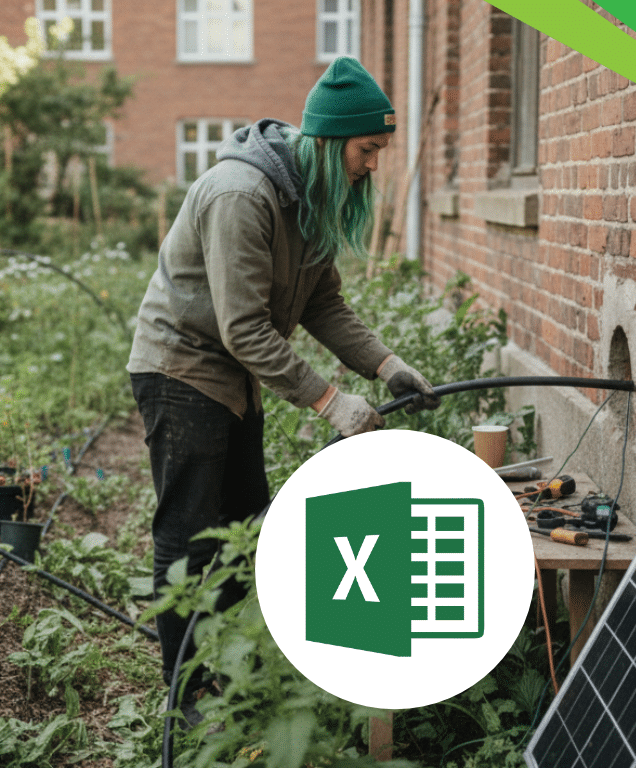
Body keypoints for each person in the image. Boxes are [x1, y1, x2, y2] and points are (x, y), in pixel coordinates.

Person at [126, 57, 440, 726]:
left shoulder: (307, 199)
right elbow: (243, 328)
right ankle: (185, 699)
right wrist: (332, 402)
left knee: (247, 522)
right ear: (331, 143)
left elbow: (324, 304)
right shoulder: (242, 196)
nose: (373, 165)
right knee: (190, 534)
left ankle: (231, 669)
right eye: (368, 150)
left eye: (380, 151)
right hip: (182, 368)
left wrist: (387, 367)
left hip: (234, 374)